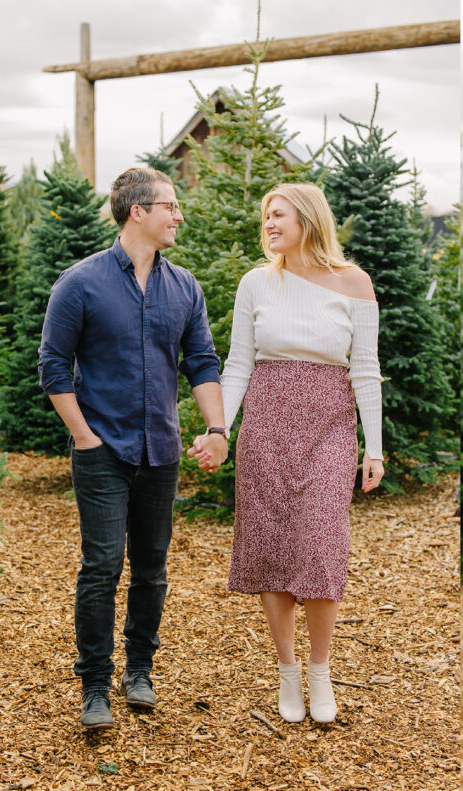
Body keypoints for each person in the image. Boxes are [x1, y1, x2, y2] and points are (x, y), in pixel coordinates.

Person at [39, 167, 229, 730]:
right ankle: (95, 684)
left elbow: (202, 363)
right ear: (137, 212)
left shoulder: (184, 286)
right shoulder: (80, 283)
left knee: (152, 568)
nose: (178, 215)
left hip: (161, 452)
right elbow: (53, 366)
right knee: (100, 566)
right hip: (101, 450)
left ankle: (138, 671)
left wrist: (217, 430)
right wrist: (82, 435)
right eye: (170, 205)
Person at [208, 182, 384, 724]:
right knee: (272, 547)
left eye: (278, 214)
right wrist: (218, 428)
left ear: (307, 218)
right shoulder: (256, 284)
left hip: (330, 428)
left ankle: (320, 670)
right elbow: (238, 363)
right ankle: (287, 672)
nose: (269, 224)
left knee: (321, 544)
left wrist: (372, 448)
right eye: (265, 216)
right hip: (265, 425)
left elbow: (365, 369)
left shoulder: (354, 283)